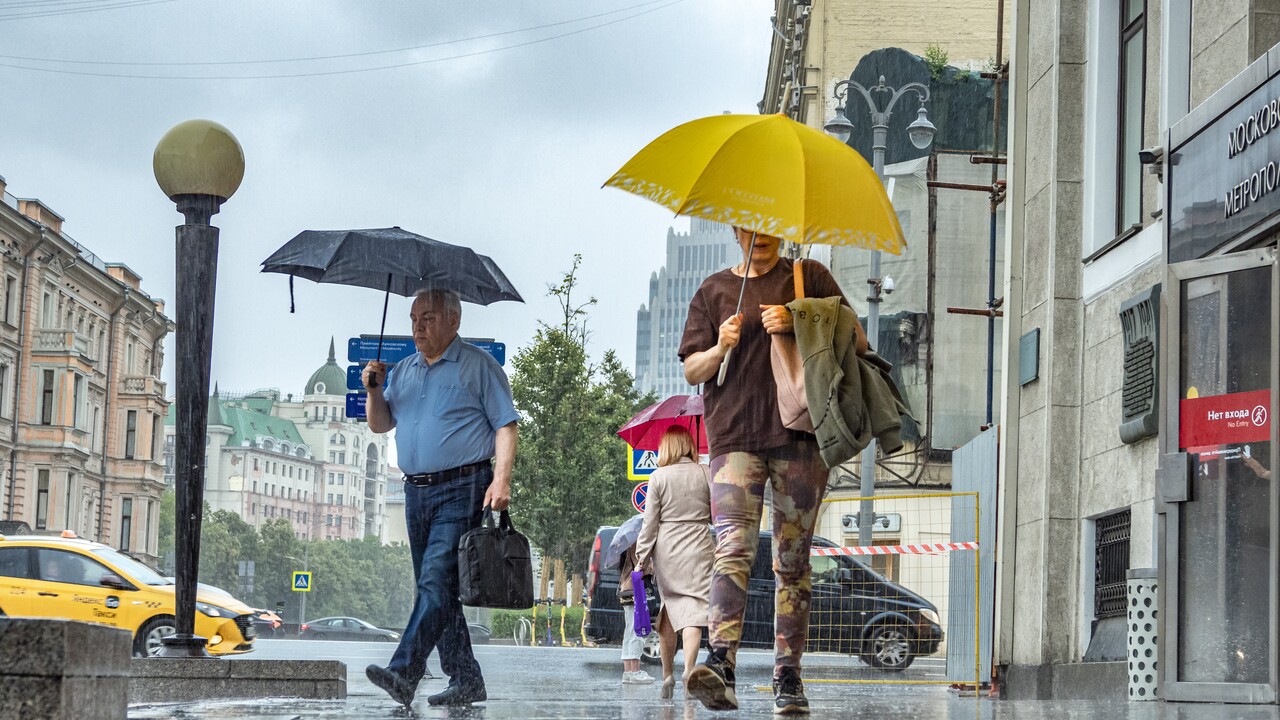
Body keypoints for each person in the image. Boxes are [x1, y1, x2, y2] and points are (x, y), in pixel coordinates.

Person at [679, 226, 850, 715]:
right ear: (735, 230)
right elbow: (693, 370)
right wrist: (720, 346)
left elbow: (855, 341)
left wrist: (802, 318)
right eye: (751, 225)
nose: (762, 233)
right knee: (732, 547)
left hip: (800, 437)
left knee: (793, 563)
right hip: (733, 438)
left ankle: (788, 676)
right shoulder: (713, 291)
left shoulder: (808, 276)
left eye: (771, 223)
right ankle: (721, 662)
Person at [361, 288, 519, 708]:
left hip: (462, 486)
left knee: (434, 582)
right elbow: (380, 425)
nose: (418, 326)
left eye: (428, 317)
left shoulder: (478, 367)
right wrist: (374, 391)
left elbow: (506, 425)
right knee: (438, 589)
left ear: (454, 320)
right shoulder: (403, 370)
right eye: (414, 317)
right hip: (416, 492)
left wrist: (500, 481)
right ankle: (466, 679)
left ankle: (403, 672)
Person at [635, 426, 713, 700]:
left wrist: (641, 558)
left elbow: (650, 523)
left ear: (667, 447)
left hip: (668, 549)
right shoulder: (705, 472)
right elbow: (717, 511)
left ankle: (667, 673)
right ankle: (689, 669)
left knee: (669, 609)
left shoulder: (658, 477)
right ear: (689, 446)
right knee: (694, 610)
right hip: (699, 545)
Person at [617, 542, 657, 686]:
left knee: (630, 631)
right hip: (636, 590)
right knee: (637, 631)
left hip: (627, 589)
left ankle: (628, 672)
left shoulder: (628, 544)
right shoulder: (639, 544)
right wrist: (652, 564)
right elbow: (643, 567)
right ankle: (635, 672)